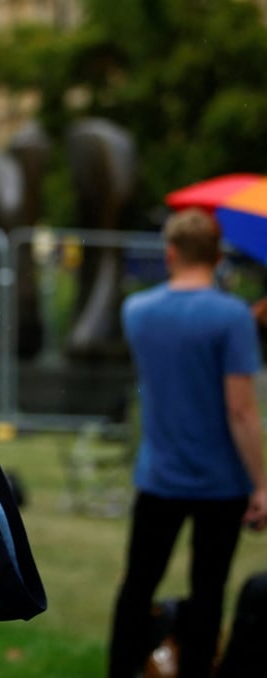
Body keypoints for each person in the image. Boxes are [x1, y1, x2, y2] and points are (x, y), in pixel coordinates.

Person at [108, 208, 267, 678]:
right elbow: (240, 409)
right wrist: (261, 484)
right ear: (219, 257)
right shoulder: (232, 317)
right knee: (208, 590)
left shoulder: (136, 311)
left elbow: (181, 352)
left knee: (138, 585)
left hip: (158, 473)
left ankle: (120, 668)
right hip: (219, 481)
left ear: (170, 252)